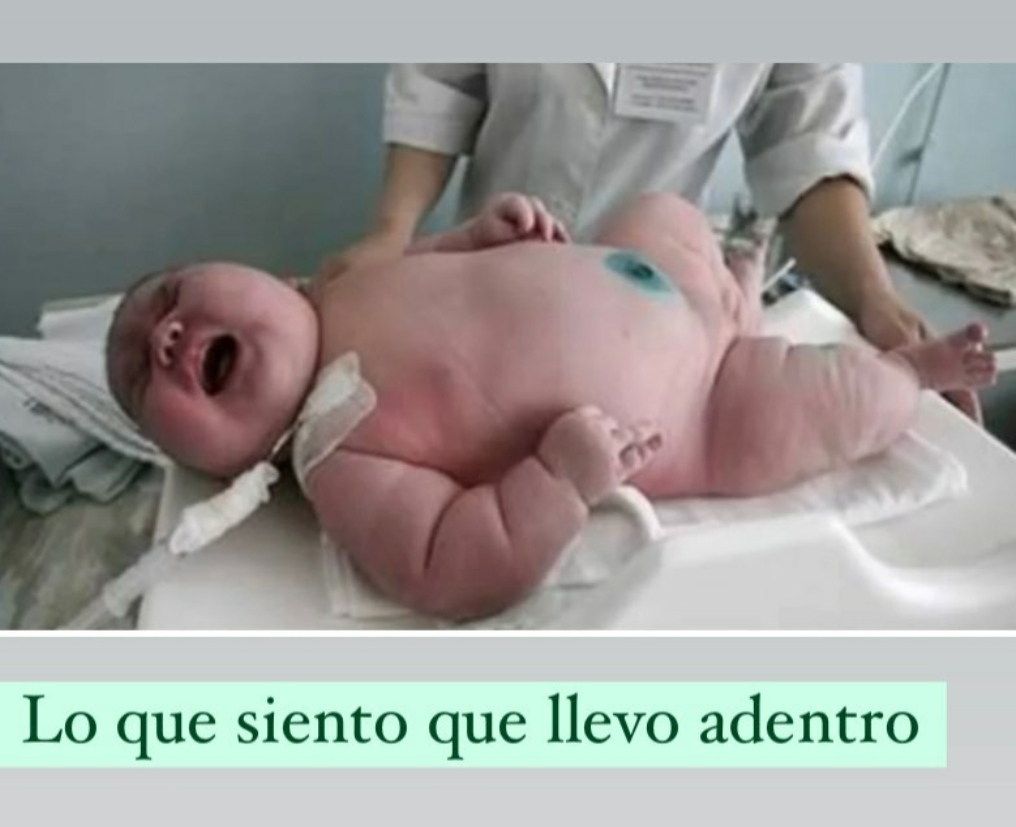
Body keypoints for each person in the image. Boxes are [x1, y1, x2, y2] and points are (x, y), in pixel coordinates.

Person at [106, 191, 996, 621]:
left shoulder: (345, 284)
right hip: (703, 405)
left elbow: (438, 265)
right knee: (835, 400)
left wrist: (482, 234)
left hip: (643, 270)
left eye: (172, 294)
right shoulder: (340, 453)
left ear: (267, 276)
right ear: (218, 465)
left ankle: (732, 293)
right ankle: (907, 373)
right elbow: (445, 564)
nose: (167, 336)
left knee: (658, 207)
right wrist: (556, 479)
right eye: (146, 376)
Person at [317, 64, 977, 414]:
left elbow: (811, 151)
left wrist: (875, 300)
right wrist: (391, 233)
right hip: (493, 286)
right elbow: (438, 86)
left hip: (661, 317)